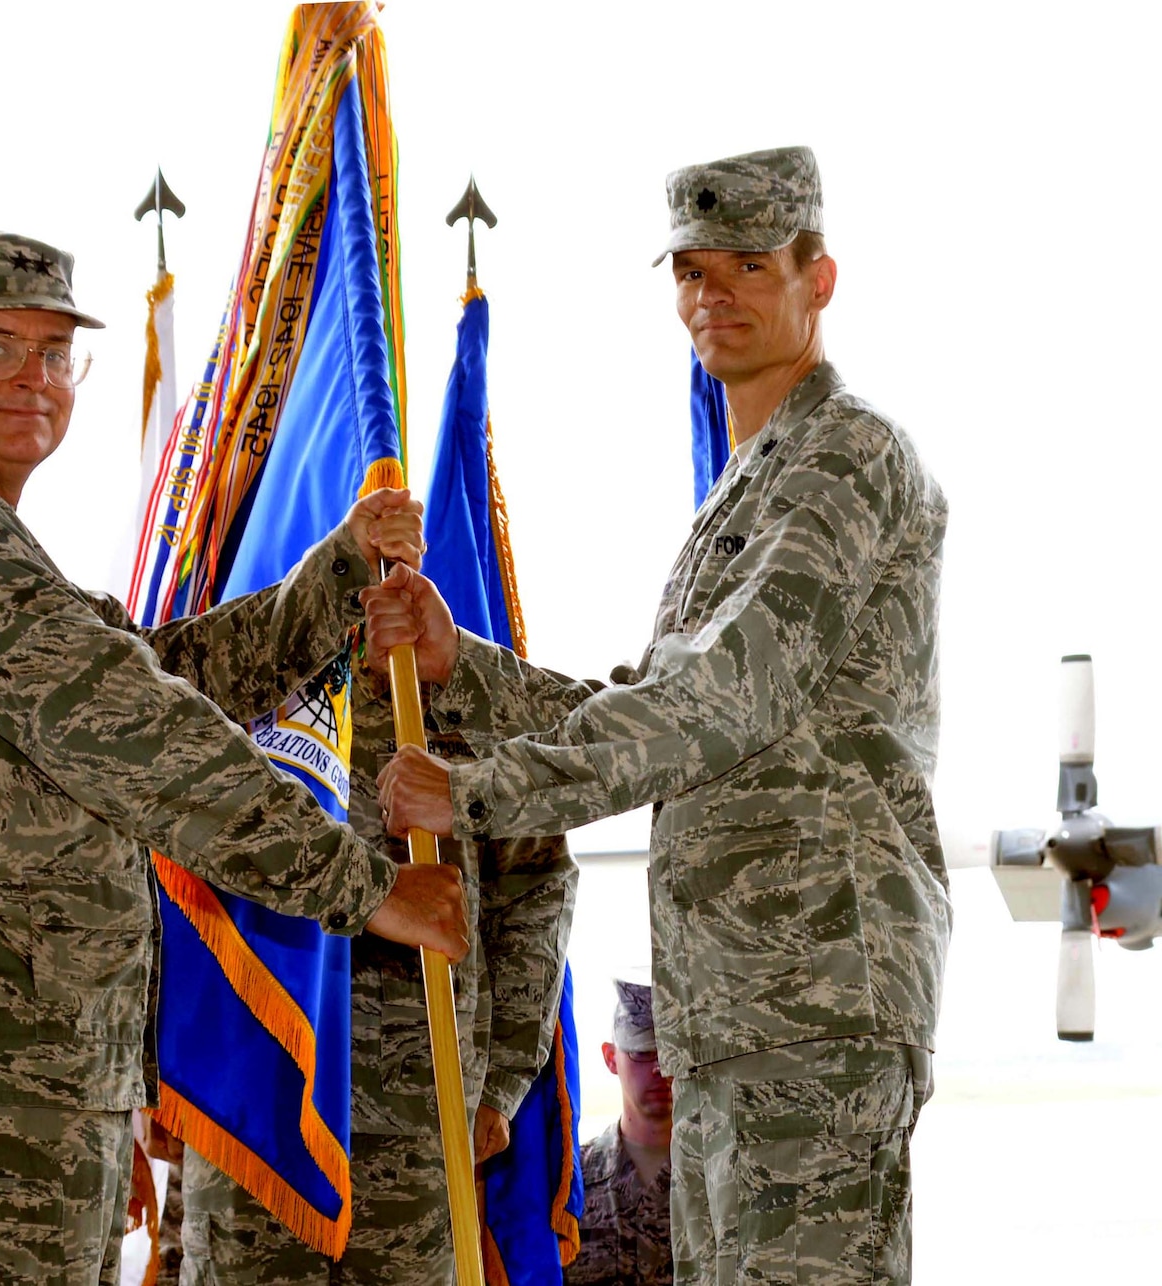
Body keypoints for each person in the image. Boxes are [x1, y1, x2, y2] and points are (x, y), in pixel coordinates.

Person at [0, 228, 470, 1286]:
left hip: (27, 1078)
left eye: (54, 352)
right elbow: (138, 732)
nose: (32, 378)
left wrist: (337, 575)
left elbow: (160, 675)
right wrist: (366, 888)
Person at [374, 146, 951, 1285]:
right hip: (741, 1003)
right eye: (690, 270)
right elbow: (652, 700)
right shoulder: (750, 479)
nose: (711, 295)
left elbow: (722, 696)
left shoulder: (845, 457)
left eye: (746, 264)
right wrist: (461, 667)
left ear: (816, 278)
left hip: (813, 1000)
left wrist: (479, 792)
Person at [178, 648, 577, 1284]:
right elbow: (173, 851)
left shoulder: (464, 690)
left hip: (418, 1115)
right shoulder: (247, 662)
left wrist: (503, 1080)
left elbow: (533, 893)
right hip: (255, 1097)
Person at [568, 979, 674, 1286]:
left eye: (668, 1053)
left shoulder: (718, 1174)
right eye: (642, 1052)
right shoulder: (572, 1183)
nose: (659, 1068)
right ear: (611, 1058)